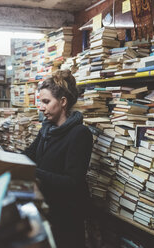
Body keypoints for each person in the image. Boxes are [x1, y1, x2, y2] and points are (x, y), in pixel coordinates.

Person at [24, 70, 93, 248]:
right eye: (40, 102)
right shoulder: (47, 129)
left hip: (67, 217)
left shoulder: (80, 134)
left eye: (46, 102)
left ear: (63, 102)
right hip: (46, 209)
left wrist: (32, 172)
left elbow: (72, 182)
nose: (41, 107)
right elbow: (27, 156)